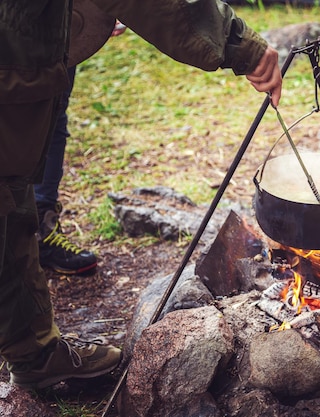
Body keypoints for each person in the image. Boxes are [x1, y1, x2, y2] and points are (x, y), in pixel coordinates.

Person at [0, 0, 282, 390]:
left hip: (17, 61)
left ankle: (34, 354)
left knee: (10, 204)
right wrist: (241, 44)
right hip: (12, 65)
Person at [35, 21, 127, 276]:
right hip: (19, 37)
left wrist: (96, 14)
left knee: (54, 118)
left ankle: (42, 230)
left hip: (57, 32)